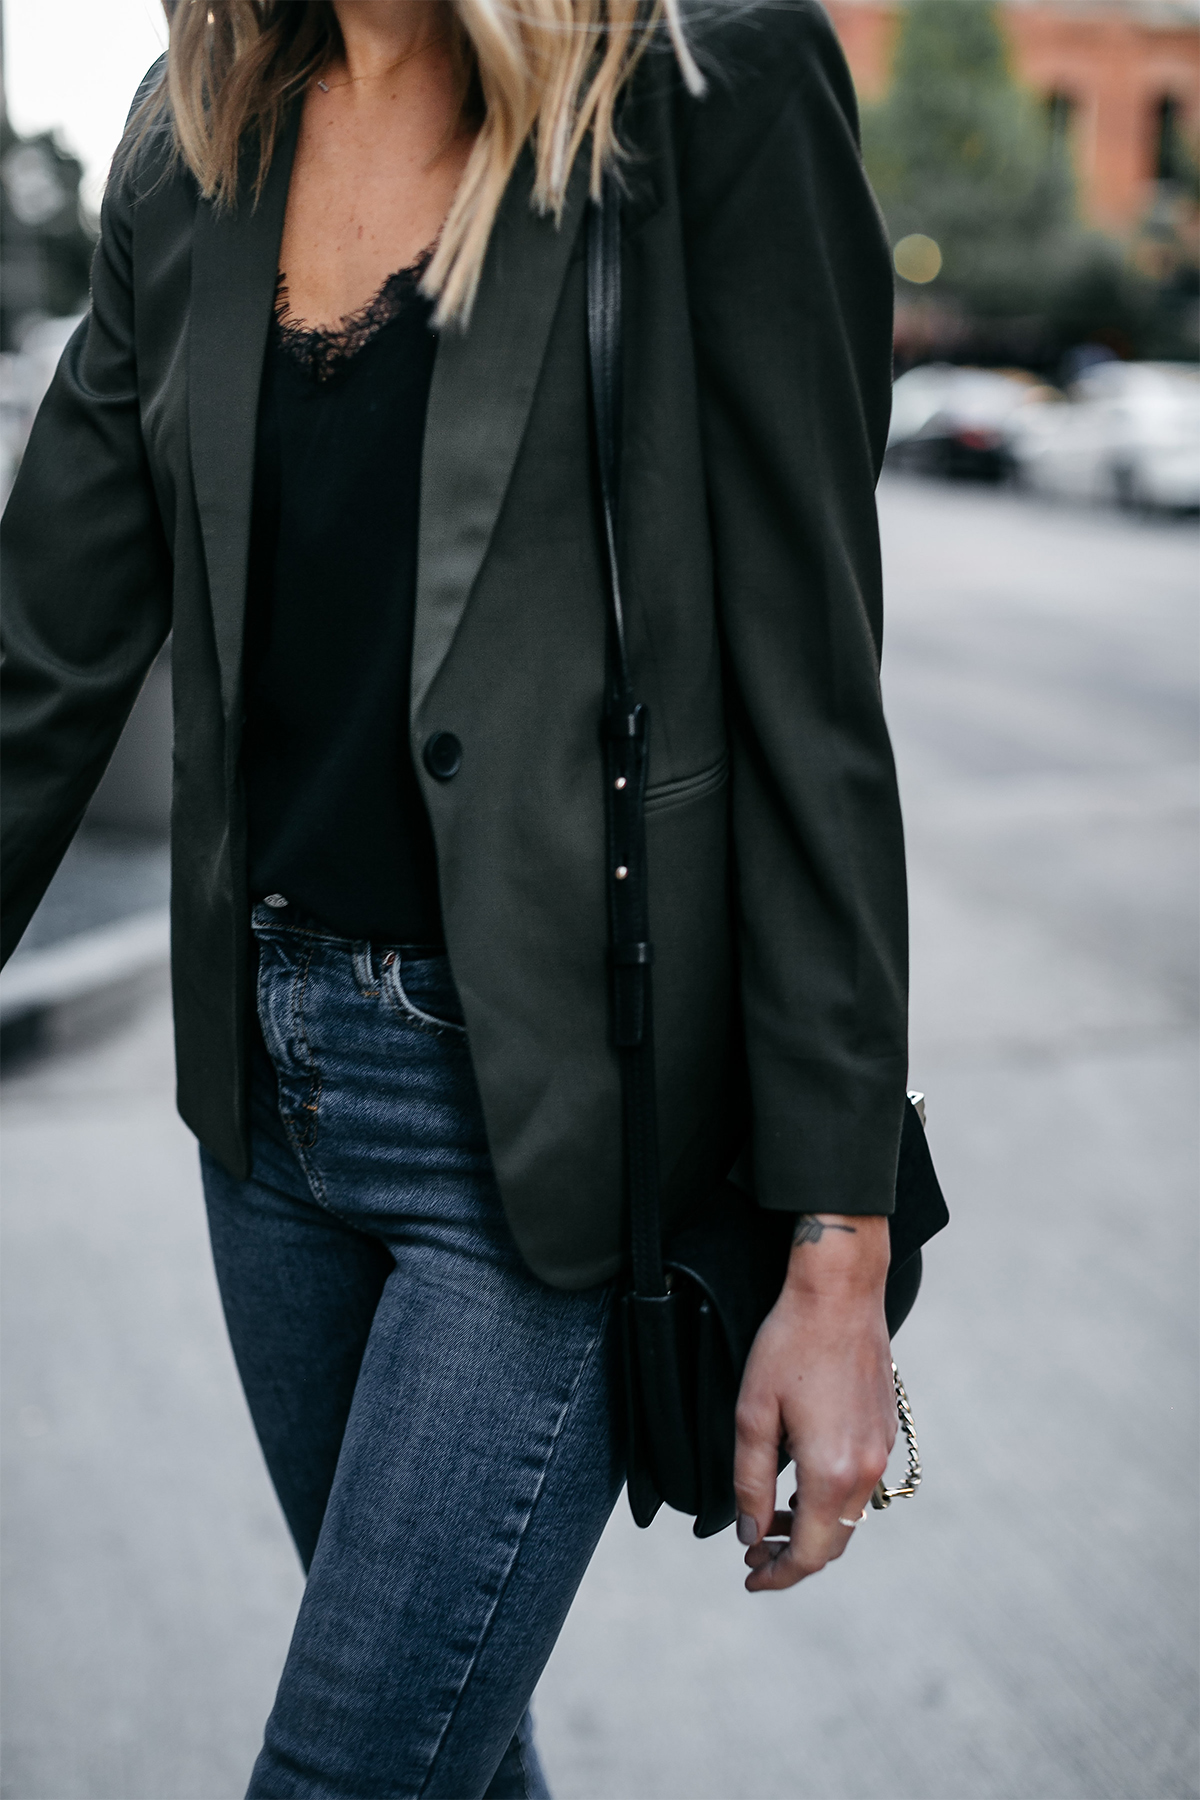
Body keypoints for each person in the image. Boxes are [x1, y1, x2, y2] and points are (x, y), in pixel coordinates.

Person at [0, 0, 909, 1792]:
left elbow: (811, 692)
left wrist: (839, 1247)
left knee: (349, 1767)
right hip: (265, 1116)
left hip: (545, 1135)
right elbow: (39, 660)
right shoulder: (190, 141)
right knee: (446, 1755)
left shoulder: (701, 87)